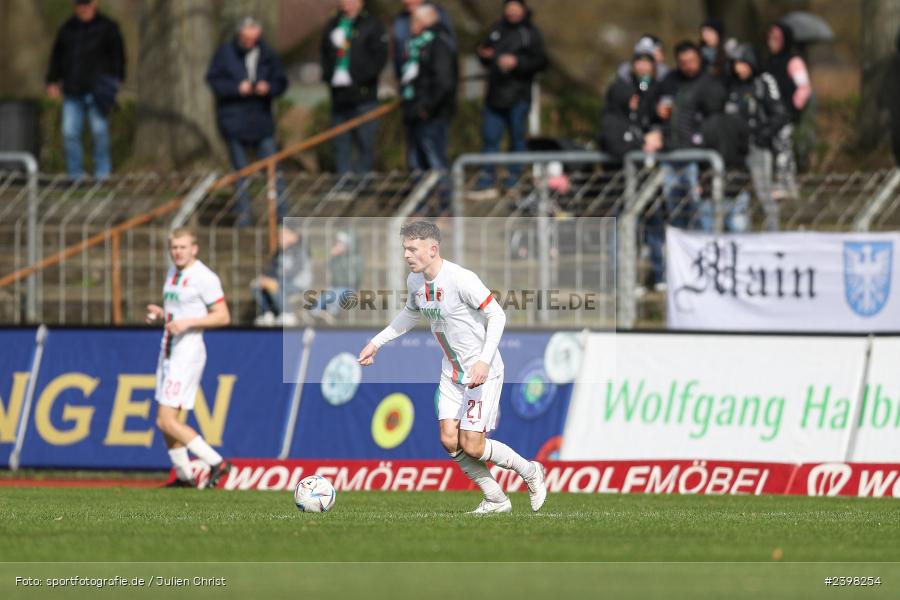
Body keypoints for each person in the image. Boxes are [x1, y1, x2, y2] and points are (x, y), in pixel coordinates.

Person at [357, 221, 547, 513]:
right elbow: (409, 314)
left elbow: (497, 315)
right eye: (405, 249)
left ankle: (530, 471)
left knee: (473, 445)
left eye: (413, 249)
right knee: (449, 440)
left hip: (481, 372)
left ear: (432, 250)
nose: (407, 255)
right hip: (452, 372)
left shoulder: (460, 279)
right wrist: (376, 343)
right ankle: (496, 499)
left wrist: (484, 360)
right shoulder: (415, 282)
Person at [146, 228, 232, 488]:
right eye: (174, 247)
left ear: (194, 248)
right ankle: (184, 477)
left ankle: (217, 462)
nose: (178, 252)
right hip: (169, 350)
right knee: (165, 421)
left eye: (183, 247)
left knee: (165, 420)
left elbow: (223, 315)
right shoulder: (174, 272)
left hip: (188, 352)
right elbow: (179, 311)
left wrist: (188, 324)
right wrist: (162, 314)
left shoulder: (204, 277)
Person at [642, 40, 726, 292]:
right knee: (676, 217)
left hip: (697, 161)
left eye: (692, 61)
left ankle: (708, 271)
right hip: (671, 157)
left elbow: (713, 121)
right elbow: (652, 108)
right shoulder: (669, 82)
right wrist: (657, 115)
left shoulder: (709, 84)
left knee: (700, 217)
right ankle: (679, 273)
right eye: (683, 62)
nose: (687, 66)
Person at [206, 17, 288, 226]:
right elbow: (213, 80)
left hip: (261, 119)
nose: (250, 43)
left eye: (253, 39)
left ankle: (282, 216)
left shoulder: (267, 54)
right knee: (240, 172)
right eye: (246, 39)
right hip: (234, 119)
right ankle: (244, 218)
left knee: (272, 170)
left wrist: (268, 87)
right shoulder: (225, 53)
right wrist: (236, 88)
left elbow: (281, 81)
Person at [470, 0, 548, 198]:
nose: (512, 12)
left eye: (516, 8)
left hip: (518, 96)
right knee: (490, 138)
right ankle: (487, 180)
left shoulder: (531, 33)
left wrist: (517, 62)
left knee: (517, 140)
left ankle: (514, 180)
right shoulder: (496, 29)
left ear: (523, 10)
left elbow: (541, 61)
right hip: (494, 96)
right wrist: (484, 56)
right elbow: (483, 51)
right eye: (509, 8)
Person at [45, 0, 125, 180]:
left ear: (95, 3)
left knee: (99, 132)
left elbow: (118, 56)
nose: (83, 8)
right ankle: (75, 176)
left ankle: (102, 174)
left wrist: (117, 79)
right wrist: (52, 80)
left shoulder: (108, 27)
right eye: (80, 4)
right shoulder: (67, 28)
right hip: (72, 90)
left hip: (98, 90)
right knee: (70, 133)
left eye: (87, 3)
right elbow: (57, 56)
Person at [721, 43, 789, 231]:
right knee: (734, 197)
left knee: (764, 194)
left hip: (756, 147)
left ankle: (772, 236)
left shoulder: (763, 82)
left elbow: (779, 114)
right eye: (735, 64)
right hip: (735, 151)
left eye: (742, 64)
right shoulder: (732, 86)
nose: (738, 69)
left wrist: (762, 135)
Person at [321, 0, 389, 176]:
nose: (347, 4)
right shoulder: (333, 24)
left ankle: (362, 183)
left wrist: (359, 78)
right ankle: (343, 183)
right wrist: (330, 76)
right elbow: (324, 54)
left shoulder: (372, 24)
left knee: (365, 143)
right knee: (341, 143)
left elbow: (379, 57)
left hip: (364, 95)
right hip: (339, 96)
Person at [400, 5, 458, 173]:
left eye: (415, 21)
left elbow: (443, 81)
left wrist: (427, 107)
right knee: (416, 162)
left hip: (431, 112)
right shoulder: (414, 45)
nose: (411, 25)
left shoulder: (439, 42)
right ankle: (421, 199)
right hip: (414, 108)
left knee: (435, 159)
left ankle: (445, 198)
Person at [763, 22, 812, 199]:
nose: (771, 42)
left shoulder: (794, 61)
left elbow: (804, 88)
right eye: (769, 38)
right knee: (773, 148)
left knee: (784, 147)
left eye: (776, 39)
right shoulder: (767, 62)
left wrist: (791, 110)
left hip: (786, 114)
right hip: (769, 114)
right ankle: (779, 183)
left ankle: (786, 184)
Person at [600, 50, 658, 163]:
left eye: (646, 63)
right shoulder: (625, 84)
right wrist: (642, 143)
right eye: (639, 63)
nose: (643, 67)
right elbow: (616, 145)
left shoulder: (654, 86)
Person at [252, 226, 312, 327]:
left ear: (295, 236)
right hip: (282, 281)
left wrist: (272, 280)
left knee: (274, 285)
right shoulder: (280, 251)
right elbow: (272, 269)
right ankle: (267, 313)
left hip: (298, 283)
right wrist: (265, 278)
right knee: (256, 284)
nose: (280, 237)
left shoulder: (300, 250)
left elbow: (294, 271)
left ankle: (288, 313)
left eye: (284, 234)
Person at [391, 0, 456, 81]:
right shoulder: (400, 19)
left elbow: (448, 47)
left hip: (431, 79)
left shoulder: (438, 14)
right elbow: (397, 49)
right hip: (407, 77)